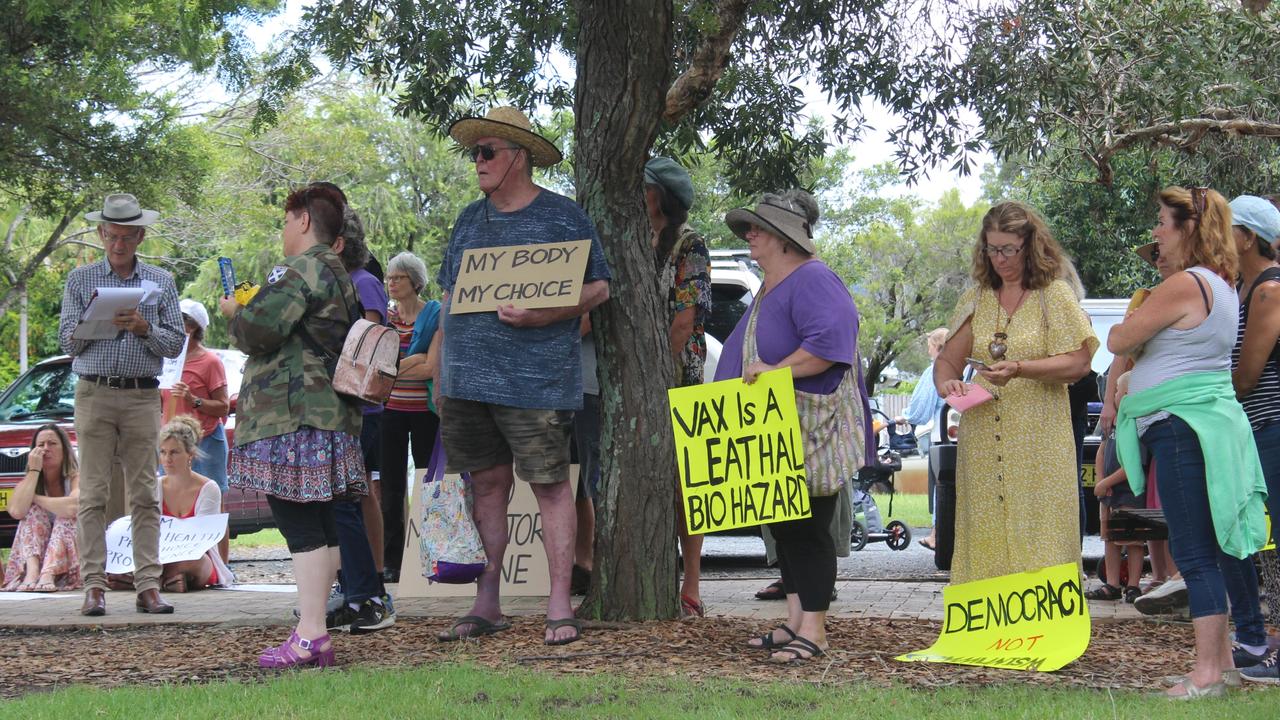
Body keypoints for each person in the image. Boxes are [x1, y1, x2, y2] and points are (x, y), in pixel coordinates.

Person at [430, 106, 610, 646]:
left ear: (519, 158)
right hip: (466, 383)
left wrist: (544, 313)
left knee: (551, 487)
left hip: (535, 384)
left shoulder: (563, 217)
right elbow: (447, 297)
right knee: (486, 486)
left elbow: (599, 288)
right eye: (474, 152)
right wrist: (440, 370)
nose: (477, 162)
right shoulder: (467, 219)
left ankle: (560, 603)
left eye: (487, 152)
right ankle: (487, 600)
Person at [1110, 186, 1268, 698]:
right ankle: (1221, 665)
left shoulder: (1183, 284)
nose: (1155, 232)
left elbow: (1118, 340)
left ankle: (1204, 676)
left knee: (1194, 554)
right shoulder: (1220, 286)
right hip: (1199, 425)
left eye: (1162, 222)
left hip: (1179, 427)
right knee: (1211, 550)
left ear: (1188, 229)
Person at [715, 190, 869, 663]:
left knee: (808, 528)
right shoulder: (774, 284)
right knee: (786, 526)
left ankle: (816, 632)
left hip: (808, 424)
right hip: (778, 425)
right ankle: (796, 620)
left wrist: (776, 370)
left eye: (757, 229)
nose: (749, 235)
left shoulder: (814, 280)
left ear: (785, 237)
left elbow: (832, 344)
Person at [219, 184, 366, 669]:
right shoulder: (339, 272)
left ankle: (309, 635)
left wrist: (235, 312)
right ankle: (315, 631)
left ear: (303, 221)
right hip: (327, 414)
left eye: (286, 220)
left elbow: (259, 330)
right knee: (322, 525)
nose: (283, 230)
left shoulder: (300, 268)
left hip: (295, 414)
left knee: (299, 521)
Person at [934, 201, 1097, 584]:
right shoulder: (976, 297)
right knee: (986, 532)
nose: (1000, 259)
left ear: (1030, 245)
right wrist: (949, 384)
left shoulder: (1053, 295)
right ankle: (990, 634)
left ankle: (1046, 632)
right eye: (992, 249)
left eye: (1009, 249)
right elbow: (947, 362)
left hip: (1040, 441)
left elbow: (1079, 362)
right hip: (982, 442)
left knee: (1042, 534)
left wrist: (1022, 369)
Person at [58, 192, 185, 616]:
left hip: (141, 393)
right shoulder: (80, 281)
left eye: (127, 237)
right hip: (94, 391)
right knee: (93, 492)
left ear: (140, 236)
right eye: (112, 236)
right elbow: (66, 342)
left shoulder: (161, 282)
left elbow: (173, 344)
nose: (118, 245)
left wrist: (144, 327)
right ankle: (93, 586)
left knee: (145, 492)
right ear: (100, 233)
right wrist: (97, 322)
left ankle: (148, 585)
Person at [644, 156, 713, 619]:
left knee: (686, 485)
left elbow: (686, 319)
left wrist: (656, 373)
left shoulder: (690, 245)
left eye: (643, 187)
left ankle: (691, 583)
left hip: (677, 374)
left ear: (659, 196)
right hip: (636, 377)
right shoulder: (628, 240)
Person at [325, 204, 396, 634]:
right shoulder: (337, 282)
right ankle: (352, 589)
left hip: (363, 408)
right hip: (339, 408)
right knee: (343, 499)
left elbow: (371, 341)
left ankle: (369, 592)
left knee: (353, 496)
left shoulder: (364, 282)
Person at [1226, 195, 1280, 681]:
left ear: (1247, 237)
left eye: (1226, 228)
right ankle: (1257, 639)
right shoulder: (1239, 288)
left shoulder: (1270, 289)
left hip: (1273, 427)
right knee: (1253, 540)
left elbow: (1246, 376)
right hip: (1252, 429)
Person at [381, 250, 441, 583]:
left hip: (425, 412)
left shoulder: (433, 315)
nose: (391, 283)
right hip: (390, 412)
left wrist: (392, 371)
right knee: (390, 489)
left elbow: (430, 366)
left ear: (415, 282)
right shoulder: (385, 321)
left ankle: (431, 554)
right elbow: (376, 368)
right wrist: (412, 362)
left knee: (428, 484)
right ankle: (393, 560)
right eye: (389, 277)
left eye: (398, 277)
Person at [155, 417, 234, 591]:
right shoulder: (156, 486)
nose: (167, 459)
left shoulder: (208, 488)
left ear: (190, 454)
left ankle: (162, 579)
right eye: (163, 452)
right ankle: (171, 580)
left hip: (194, 556)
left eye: (174, 452)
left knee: (196, 562)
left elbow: (202, 539)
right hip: (162, 554)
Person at [1088, 371, 1146, 603]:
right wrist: (1101, 480)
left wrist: (1107, 483)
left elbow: (1133, 466)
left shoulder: (1137, 426)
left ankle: (1133, 584)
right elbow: (1102, 451)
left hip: (1128, 494)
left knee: (1133, 540)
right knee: (1110, 539)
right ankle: (1111, 584)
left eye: (1118, 392)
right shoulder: (1111, 424)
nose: (1113, 396)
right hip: (1109, 494)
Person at [1, 425, 81, 592]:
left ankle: (48, 574)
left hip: (69, 557)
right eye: (41, 445)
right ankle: (32, 573)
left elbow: (73, 507)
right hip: (38, 556)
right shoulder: (30, 480)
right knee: (32, 512)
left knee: (64, 517)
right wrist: (34, 470)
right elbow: (17, 511)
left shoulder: (75, 477)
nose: (46, 449)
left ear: (65, 450)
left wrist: (35, 498)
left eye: (52, 443)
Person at [896, 327, 949, 550]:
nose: (928, 350)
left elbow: (922, 410)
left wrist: (905, 417)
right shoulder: (965, 369)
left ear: (937, 347)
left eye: (929, 346)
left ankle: (937, 535)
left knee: (942, 487)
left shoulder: (935, 370)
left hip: (943, 434)